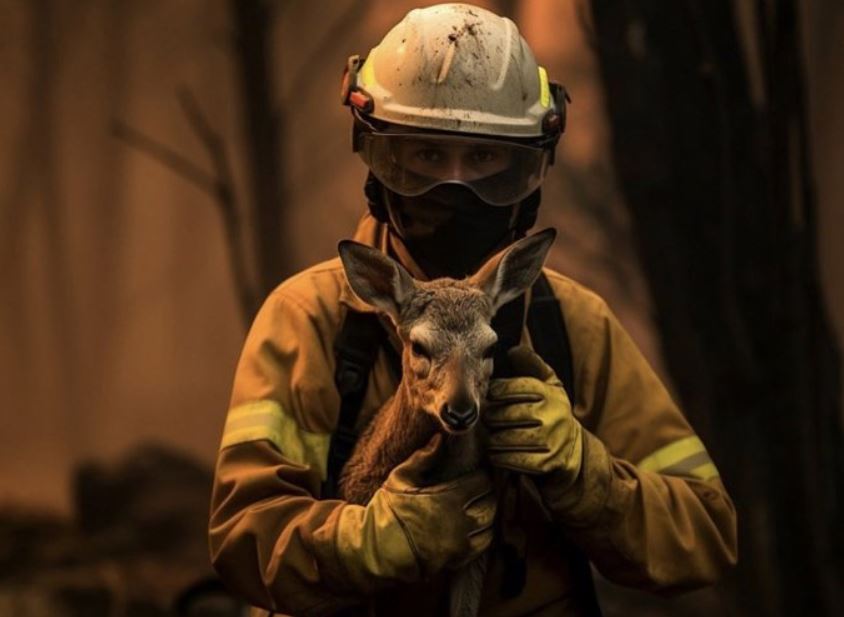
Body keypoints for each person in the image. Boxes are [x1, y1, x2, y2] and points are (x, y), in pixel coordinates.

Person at [208, 4, 738, 616]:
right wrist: (370, 543)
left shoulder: (570, 323)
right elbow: (243, 538)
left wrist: (584, 473)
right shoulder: (308, 319)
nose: (456, 188)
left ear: (526, 171)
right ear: (381, 161)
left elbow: (704, 535)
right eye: (429, 156)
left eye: (484, 160)